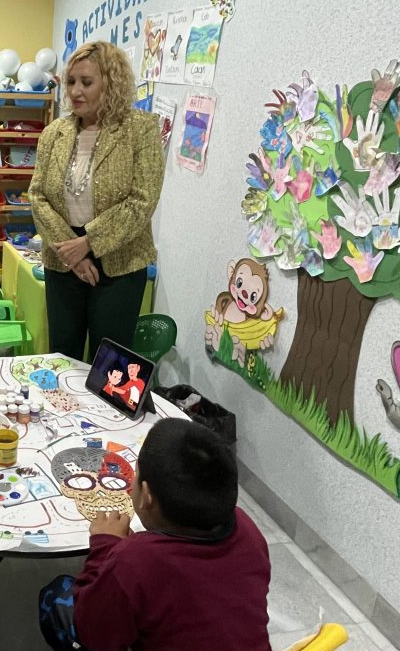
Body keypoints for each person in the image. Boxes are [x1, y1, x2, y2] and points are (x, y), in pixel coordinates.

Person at [39, 418, 272, 651]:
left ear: (147, 494)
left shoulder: (136, 559)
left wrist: (105, 545)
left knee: (57, 593)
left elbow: (95, 635)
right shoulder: (247, 528)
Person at [29, 41, 164, 362]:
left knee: (110, 364)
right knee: (62, 357)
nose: (75, 91)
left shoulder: (140, 130)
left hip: (120, 263)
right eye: (72, 81)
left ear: (111, 83)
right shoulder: (54, 133)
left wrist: (89, 242)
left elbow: (142, 200)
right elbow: (38, 195)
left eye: (86, 82)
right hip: (63, 258)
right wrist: (72, 251)